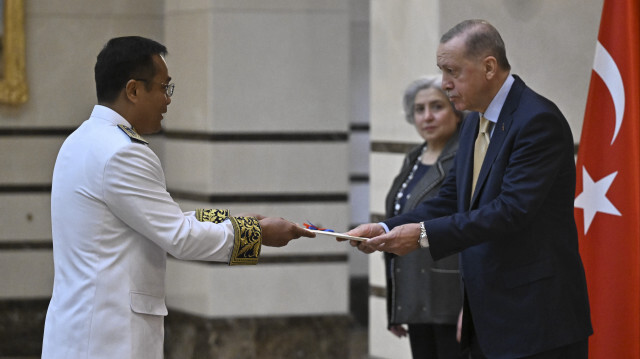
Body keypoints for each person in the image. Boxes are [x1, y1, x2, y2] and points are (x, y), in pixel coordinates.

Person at [41, 36, 314, 359]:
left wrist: (234, 221)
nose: (168, 100)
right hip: (110, 338)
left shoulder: (80, 141)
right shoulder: (124, 153)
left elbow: (158, 221)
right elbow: (179, 237)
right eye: (163, 87)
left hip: (77, 332)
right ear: (133, 90)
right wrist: (259, 236)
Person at [347, 20, 592, 358]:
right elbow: (451, 198)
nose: (445, 84)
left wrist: (420, 234)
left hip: (537, 319)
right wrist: (388, 227)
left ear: (488, 66)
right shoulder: (472, 122)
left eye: (452, 72)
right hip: (488, 318)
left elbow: (511, 210)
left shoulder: (537, 120)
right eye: (441, 71)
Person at [383, 76, 464, 358]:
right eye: (419, 109)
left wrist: (473, 304)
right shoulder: (414, 158)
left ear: (456, 110)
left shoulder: (465, 157)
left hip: (451, 298)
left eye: (437, 106)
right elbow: (398, 221)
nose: (427, 116)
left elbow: (475, 229)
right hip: (416, 295)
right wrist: (394, 303)